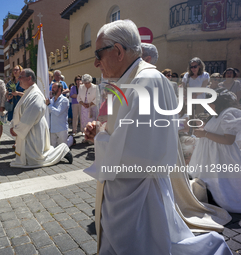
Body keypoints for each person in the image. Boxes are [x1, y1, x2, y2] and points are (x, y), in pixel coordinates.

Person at [84, 19, 231, 254]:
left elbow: (138, 151)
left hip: (139, 191)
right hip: (126, 186)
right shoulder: (127, 81)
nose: (96, 62)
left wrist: (100, 139)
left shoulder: (147, 82)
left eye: (99, 54)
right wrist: (100, 131)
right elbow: (122, 130)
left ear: (119, 51)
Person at [190, 87, 241, 213]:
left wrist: (204, 134)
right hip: (210, 155)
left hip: (221, 156)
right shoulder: (217, 114)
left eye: (210, 102)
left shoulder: (228, 113)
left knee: (223, 185)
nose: (208, 105)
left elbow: (228, 140)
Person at [10, 68, 72, 168]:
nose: (18, 79)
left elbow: (30, 115)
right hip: (29, 130)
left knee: (36, 159)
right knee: (32, 157)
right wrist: (14, 125)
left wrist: (17, 129)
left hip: (34, 130)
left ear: (29, 78)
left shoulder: (35, 94)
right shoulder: (28, 92)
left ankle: (63, 150)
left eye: (21, 77)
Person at [45, 82, 69, 147]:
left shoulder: (64, 100)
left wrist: (48, 105)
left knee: (62, 150)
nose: (52, 89)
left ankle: (71, 140)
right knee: (53, 150)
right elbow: (49, 112)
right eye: (52, 87)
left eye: (54, 87)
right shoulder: (52, 100)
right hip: (52, 130)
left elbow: (58, 112)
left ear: (59, 89)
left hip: (61, 129)